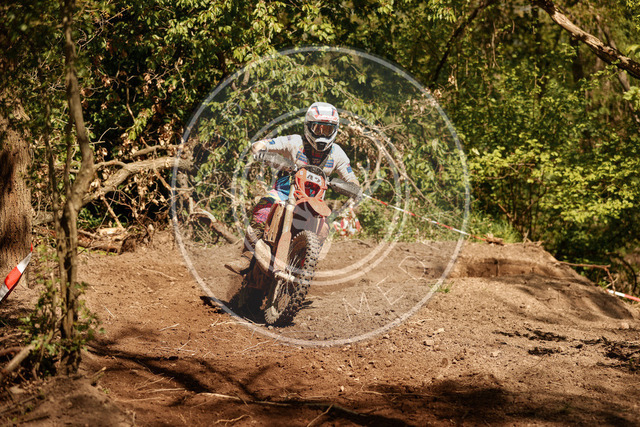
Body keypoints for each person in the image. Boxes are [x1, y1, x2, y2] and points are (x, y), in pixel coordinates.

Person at [225, 101, 360, 274]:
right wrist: (261, 150)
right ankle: (247, 256)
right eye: (318, 128)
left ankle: (305, 266)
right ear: (308, 127)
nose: (322, 134)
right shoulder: (295, 142)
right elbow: (262, 144)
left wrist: (352, 188)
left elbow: (351, 178)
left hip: (314, 203)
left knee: (324, 229)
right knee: (264, 209)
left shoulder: (337, 153)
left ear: (334, 130)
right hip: (284, 193)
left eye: (327, 130)